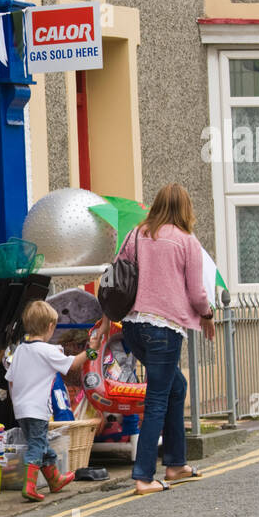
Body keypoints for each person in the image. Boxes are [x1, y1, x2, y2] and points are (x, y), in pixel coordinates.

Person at [94, 183, 215, 496]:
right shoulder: (187, 242)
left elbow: (114, 277)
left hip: (134, 329)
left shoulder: (137, 234)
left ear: (157, 206)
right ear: (186, 210)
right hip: (163, 330)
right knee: (158, 398)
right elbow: (197, 293)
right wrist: (208, 314)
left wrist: (108, 317)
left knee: (177, 387)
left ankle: (175, 463)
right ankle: (144, 476)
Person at [4, 300, 101, 502]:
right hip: (37, 408)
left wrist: (17, 402)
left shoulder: (21, 350)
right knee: (37, 446)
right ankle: (29, 485)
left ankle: (55, 479)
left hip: (21, 409)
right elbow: (73, 364)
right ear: (50, 327)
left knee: (40, 442)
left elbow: (10, 380)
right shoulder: (47, 350)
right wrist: (91, 352)